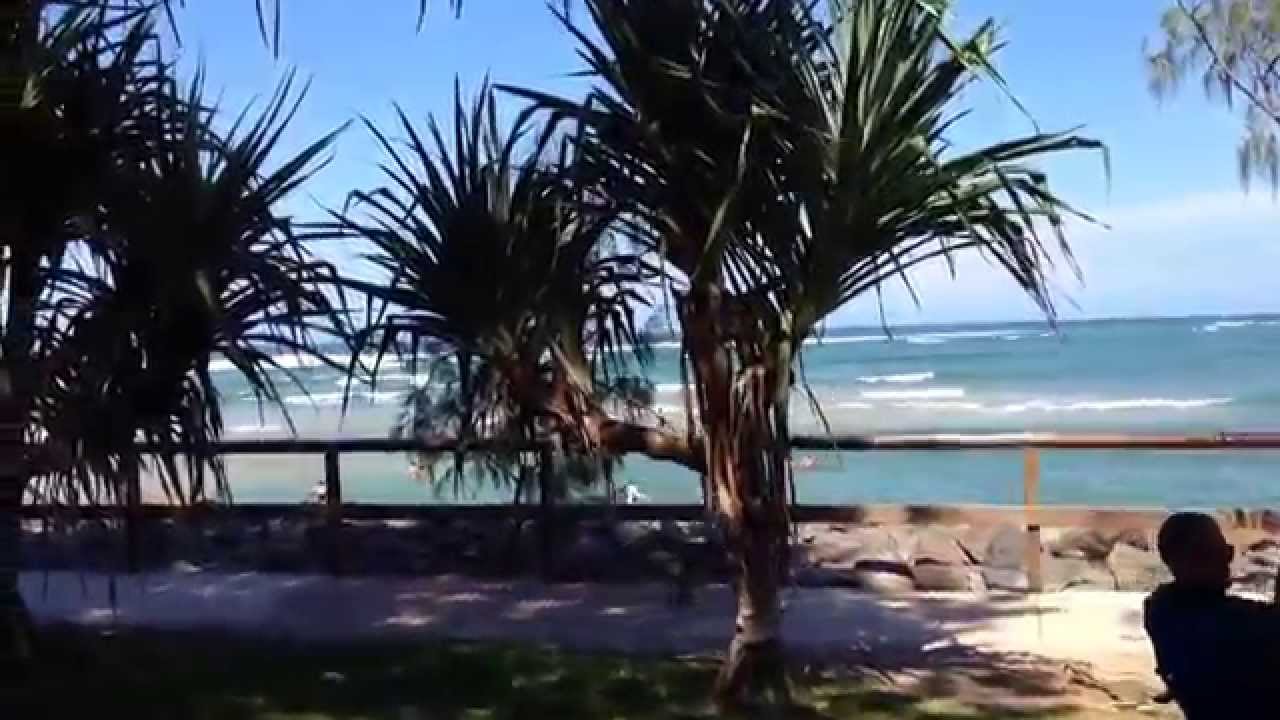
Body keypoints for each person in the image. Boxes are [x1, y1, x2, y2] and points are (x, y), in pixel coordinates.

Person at [1143, 512, 1280, 718]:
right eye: (1212, 554)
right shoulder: (1219, 623)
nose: (1226, 563)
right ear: (1178, 562)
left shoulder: (1162, 609)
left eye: (1226, 552)